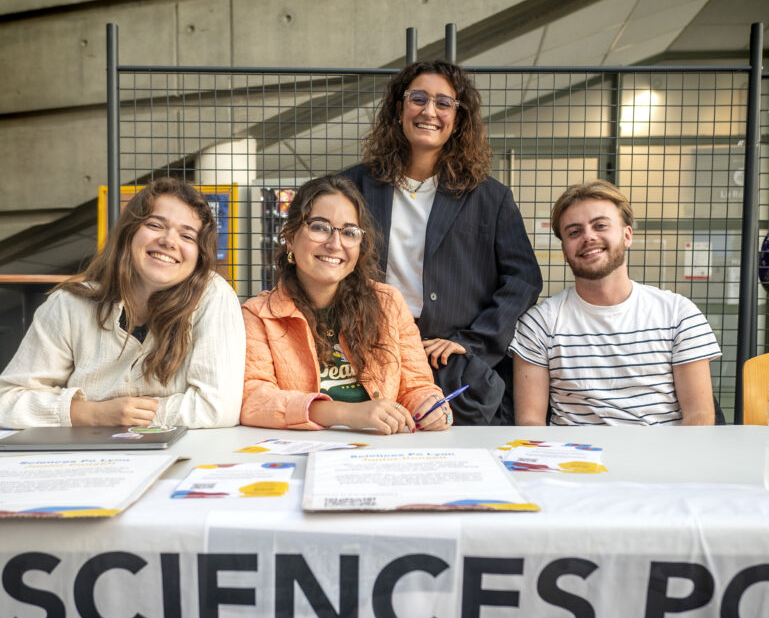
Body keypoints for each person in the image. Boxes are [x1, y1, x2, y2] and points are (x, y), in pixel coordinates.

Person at [343, 60, 542, 426]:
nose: (429, 111)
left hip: (451, 363)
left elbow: (523, 279)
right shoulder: (352, 188)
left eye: (443, 103)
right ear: (399, 108)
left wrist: (474, 341)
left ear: (459, 117)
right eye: (418, 98)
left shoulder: (489, 197)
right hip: (369, 352)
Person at [0, 177, 244, 429]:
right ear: (129, 232)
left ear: (199, 256)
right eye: (155, 225)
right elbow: (7, 402)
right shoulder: (68, 304)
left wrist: (130, 415)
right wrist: (92, 414)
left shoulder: (213, 296)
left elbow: (218, 409)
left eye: (187, 236)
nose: (169, 241)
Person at [241, 175, 450, 434]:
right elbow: (254, 398)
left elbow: (417, 386)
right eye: (319, 227)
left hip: (379, 451)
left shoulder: (389, 303)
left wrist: (432, 408)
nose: (334, 244)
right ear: (290, 237)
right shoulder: (259, 315)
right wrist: (346, 413)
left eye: (349, 232)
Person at [511, 180, 722, 426]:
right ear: (565, 250)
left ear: (627, 235)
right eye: (574, 232)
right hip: (575, 462)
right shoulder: (539, 324)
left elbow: (700, 418)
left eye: (600, 225)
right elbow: (530, 423)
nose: (588, 237)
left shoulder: (678, 313)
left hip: (663, 460)